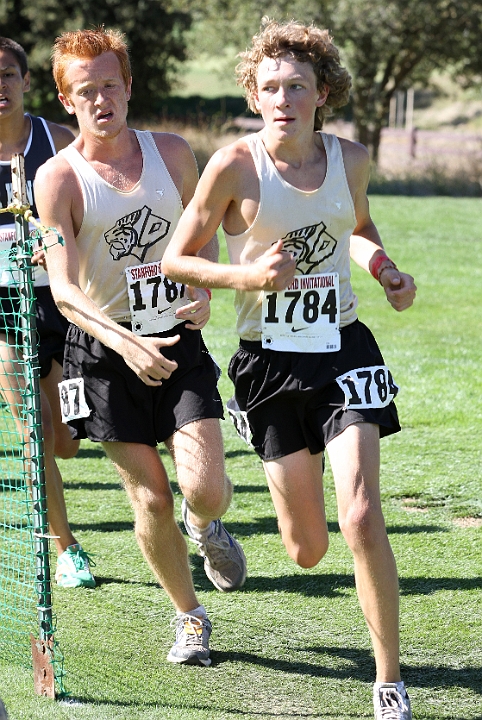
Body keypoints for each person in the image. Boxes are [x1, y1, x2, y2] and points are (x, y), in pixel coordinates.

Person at [162, 19, 416, 719]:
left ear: (322, 92)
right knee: (307, 548)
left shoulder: (352, 159)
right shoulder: (234, 166)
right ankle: (212, 512)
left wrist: (385, 268)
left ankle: (389, 679)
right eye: (269, 86)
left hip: (344, 347)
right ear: (253, 92)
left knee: (363, 515)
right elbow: (179, 258)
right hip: (268, 363)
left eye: (296, 86)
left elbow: (356, 228)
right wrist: (246, 280)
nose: (282, 99)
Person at [34, 28, 246, 667]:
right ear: (66, 99)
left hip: (177, 341)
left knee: (203, 486)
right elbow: (66, 292)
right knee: (150, 494)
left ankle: (205, 524)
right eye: (85, 91)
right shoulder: (57, 178)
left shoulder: (174, 153)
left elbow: (202, 231)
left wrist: (204, 285)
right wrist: (123, 343)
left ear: (128, 86)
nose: (101, 100)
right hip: (102, 353)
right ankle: (190, 618)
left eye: (110, 86)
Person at [0, 37, 95, 589]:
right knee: (34, 435)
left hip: (61, 297)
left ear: (27, 82)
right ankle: (68, 548)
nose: (0, 87)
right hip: (4, 307)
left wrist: (57, 243)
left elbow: (93, 210)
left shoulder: (57, 142)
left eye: (8, 75)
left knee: (64, 439)